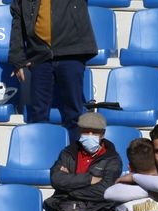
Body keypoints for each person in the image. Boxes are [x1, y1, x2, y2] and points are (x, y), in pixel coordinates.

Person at [9, 0, 97, 143]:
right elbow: (18, 20)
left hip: (71, 53)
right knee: (38, 113)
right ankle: (40, 152)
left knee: (74, 114)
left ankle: (74, 153)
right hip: (40, 55)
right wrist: (17, 59)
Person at [23, 112, 121, 211]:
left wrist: (69, 187)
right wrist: (89, 179)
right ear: (80, 132)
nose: (90, 135)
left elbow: (105, 191)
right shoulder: (68, 153)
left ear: (102, 134)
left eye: (94, 132)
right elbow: (56, 179)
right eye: (86, 131)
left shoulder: (112, 159)